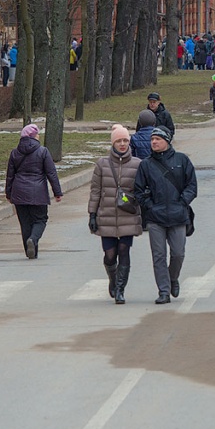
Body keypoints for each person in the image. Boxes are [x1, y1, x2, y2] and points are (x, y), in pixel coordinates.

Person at [133, 126, 198, 304]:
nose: (154, 142)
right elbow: (138, 191)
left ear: (167, 141)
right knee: (159, 255)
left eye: (158, 139)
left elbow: (192, 185)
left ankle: (173, 278)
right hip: (156, 218)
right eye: (152, 139)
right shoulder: (146, 165)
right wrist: (150, 206)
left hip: (178, 216)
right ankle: (163, 291)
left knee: (178, 253)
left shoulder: (182, 160)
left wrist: (183, 201)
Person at [88, 125, 143, 304]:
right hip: (107, 215)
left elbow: (142, 191)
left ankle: (120, 289)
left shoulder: (137, 164)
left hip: (128, 215)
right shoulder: (102, 164)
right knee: (110, 254)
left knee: (124, 250)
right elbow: (96, 190)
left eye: (125, 140)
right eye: (119, 141)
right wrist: (92, 214)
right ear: (113, 143)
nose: (122, 144)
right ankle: (113, 279)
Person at [5, 124, 63, 260]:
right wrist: (57, 192)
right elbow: (51, 173)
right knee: (40, 219)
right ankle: (33, 239)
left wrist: (9, 193)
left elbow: (10, 176)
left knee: (25, 222)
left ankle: (30, 251)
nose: (39, 136)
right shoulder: (43, 151)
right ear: (33, 136)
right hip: (38, 192)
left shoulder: (15, 152)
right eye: (37, 134)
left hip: (19, 192)